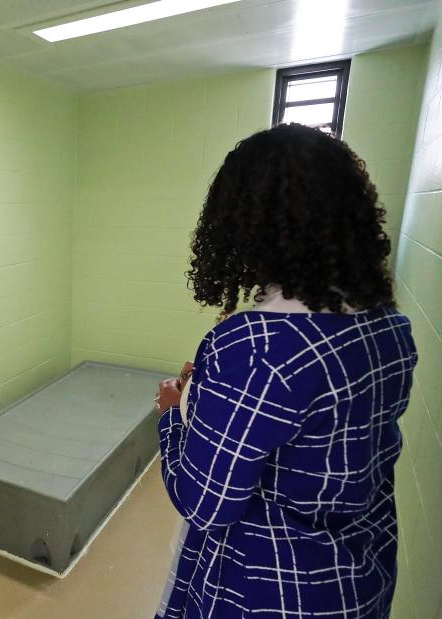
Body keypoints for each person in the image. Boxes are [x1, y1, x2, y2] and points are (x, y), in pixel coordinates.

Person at [153, 123, 418, 618]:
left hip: (271, 587)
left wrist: (173, 414)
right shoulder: (389, 327)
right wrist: (221, 391)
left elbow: (204, 502)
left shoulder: (255, 345)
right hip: (359, 577)